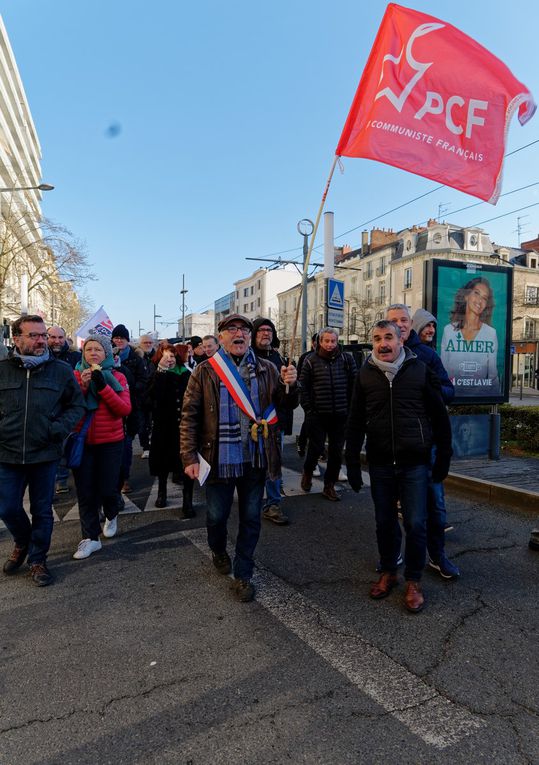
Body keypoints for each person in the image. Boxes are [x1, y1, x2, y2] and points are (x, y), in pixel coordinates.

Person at [180, 313, 298, 602]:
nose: (238, 334)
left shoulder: (270, 368)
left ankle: (244, 573)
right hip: (218, 457)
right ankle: (219, 549)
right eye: (231, 329)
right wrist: (189, 456)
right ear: (220, 338)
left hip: (255, 458)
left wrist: (291, 386)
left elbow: (285, 407)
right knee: (216, 516)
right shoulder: (206, 371)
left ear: (249, 336)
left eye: (243, 329)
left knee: (251, 518)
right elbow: (189, 415)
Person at [345, 321, 452, 613]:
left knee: (417, 522)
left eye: (388, 337)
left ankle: (414, 580)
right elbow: (355, 421)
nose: (383, 344)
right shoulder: (365, 374)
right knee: (384, 522)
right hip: (380, 463)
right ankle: (389, 571)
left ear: (400, 340)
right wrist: (352, 463)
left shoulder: (420, 371)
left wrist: (443, 457)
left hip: (415, 463)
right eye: (377, 338)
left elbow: (439, 418)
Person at [0, 315, 85, 586]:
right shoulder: (2, 369)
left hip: (45, 453)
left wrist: (58, 428)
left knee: (42, 510)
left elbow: (77, 406)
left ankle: (38, 560)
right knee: (7, 507)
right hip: (7, 453)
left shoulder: (59, 371)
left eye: (42, 335)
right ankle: (22, 541)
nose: (41, 341)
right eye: (34, 335)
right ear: (16, 339)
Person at [386, 304, 458, 578]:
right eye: (394, 320)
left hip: (427, 445)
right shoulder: (379, 356)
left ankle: (437, 555)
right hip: (392, 446)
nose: (401, 324)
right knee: (390, 508)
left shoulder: (427, 355)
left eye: (404, 320)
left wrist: (432, 389)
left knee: (435, 505)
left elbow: (448, 392)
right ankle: (392, 556)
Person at [72, 332, 132, 559]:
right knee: (86, 492)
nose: (93, 353)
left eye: (98, 349)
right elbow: (70, 406)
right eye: (89, 349)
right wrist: (84, 387)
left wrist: (103, 386)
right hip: (83, 441)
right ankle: (90, 538)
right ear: (84, 353)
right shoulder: (75, 375)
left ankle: (112, 513)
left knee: (108, 489)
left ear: (106, 353)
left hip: (111, 443)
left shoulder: (118, 377)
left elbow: (124, 410)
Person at [299, 327, 357, 501]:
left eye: (333, 341)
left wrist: (351, 409)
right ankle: (308, 472)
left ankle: (329, 485)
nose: (330, 344)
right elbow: (304, 388)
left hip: (340, 414)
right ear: (320, 342)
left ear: (337, 341)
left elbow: (354, 385)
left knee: (336, 451)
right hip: (318, 415)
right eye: (326, 341)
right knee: (316, 448)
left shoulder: (347, 359)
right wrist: (309, 410)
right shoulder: (310, 361)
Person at [252, 317, 292, 525]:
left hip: (275, 421)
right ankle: (252, 501)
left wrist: (291, 384)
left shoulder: (279, 358)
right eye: (261, 330)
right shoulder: (246, 356)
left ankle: (273, 504)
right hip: (252, 421)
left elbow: (286, 395)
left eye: (269, 330)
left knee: (273, 462)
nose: (265, 333)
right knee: (253, 464)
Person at [146, 343, 194, 516]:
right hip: (163, 426)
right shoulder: (157, 375)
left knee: (187, 462)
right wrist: (160, 374)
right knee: (163, 462)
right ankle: (162, 492)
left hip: (183, 425)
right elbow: (151, 397)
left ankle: (187, 501)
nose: (170, 360)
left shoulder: (187, 373)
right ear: (160, 359)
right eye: (166, 356)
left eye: (172, 356)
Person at [440, 277, 500, 396]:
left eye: (484, 298)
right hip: (452, 398)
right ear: (466, 296)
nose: (480, 301)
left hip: (479, 400)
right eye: (476, 293)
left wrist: (494, 401)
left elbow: (493, 376)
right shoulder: (449, 331)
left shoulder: (490, 333)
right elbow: (443, 369)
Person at [111, 323, 149, 493]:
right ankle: (113, 478)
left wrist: (128, 388)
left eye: (122, 338)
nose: (119, 341)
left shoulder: (136, 359)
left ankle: (124, 478)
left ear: (127, 340)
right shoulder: (107, 357)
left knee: (126, 446)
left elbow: (143, 381)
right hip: (111, 409)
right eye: (116, 338)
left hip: (131, 407)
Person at [47, 325, 82, 495]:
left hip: (69, 408)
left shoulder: (75, 356)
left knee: (66, 445)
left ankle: (63, 478)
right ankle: (54, 482)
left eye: (60, 337)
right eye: (52, 337)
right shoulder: (42, 356)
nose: (56, 341)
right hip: (48, 409)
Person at [136, 335, 156, 459]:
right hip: (141, 396)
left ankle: (153, 446)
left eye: (150, 342)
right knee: (142, 424)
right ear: (140, 344)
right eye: (145, 342)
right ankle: (146, 447)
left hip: (154, 396)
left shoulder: (157, 356)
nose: (148, 344)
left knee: (153, 423)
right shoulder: (137, 357)